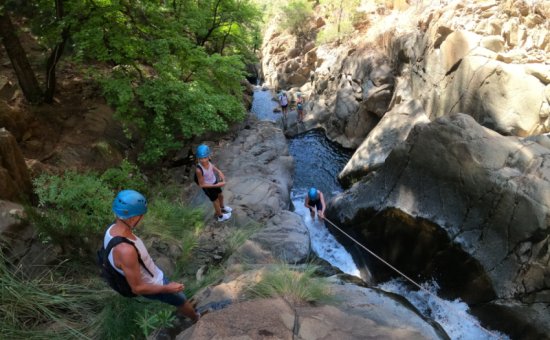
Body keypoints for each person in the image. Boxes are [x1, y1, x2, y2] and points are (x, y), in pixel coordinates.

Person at [104, 189, 200, 322]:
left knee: (178, 299)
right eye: (141, 215)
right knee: (181, 300)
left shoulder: (111, 230)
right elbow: (137, 288)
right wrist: (166, 288)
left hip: (152, 275)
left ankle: (185, 312)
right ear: (133, 218)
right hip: (153, 283)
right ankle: (196, 318)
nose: (143, 218)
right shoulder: (126, 250)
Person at [195, 144, 232, 222]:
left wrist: (219, 171)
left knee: (220, 195)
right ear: (198, 158)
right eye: (201, 159)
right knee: (215, 201)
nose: (203, 160)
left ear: (208, 156)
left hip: (214, 181)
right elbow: (202, 184)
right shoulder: (199, 170)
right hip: (208, 187)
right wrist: (216, 185)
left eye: (205, 158)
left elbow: (212, 166)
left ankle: (222, 207)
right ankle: (220, 216)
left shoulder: (208, 162)